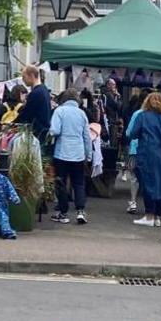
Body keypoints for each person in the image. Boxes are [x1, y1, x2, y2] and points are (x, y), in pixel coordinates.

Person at [48, 89, 92, 225]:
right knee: (78, 183)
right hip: (78, 153)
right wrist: (88, 155)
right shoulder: (82, 114)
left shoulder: (59, 111)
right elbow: (87, 136)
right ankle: (80, 211)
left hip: (62, 152)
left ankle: (63, 212)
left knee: (61, 183)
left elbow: (55, 130)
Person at [127, 92, 161, 227]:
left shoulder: (142, 116)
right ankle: (158, 215)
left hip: (147, 153)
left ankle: (149, 215)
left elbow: (133, 133)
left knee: (148, 185)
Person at [15, 65, 51, 140]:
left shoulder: (35, 93)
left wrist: (12, 124)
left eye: (24, 77)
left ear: (31, 76)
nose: (23, 80)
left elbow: (27, 114)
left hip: (37, 133)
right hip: (44, 131)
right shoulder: (44, 90)